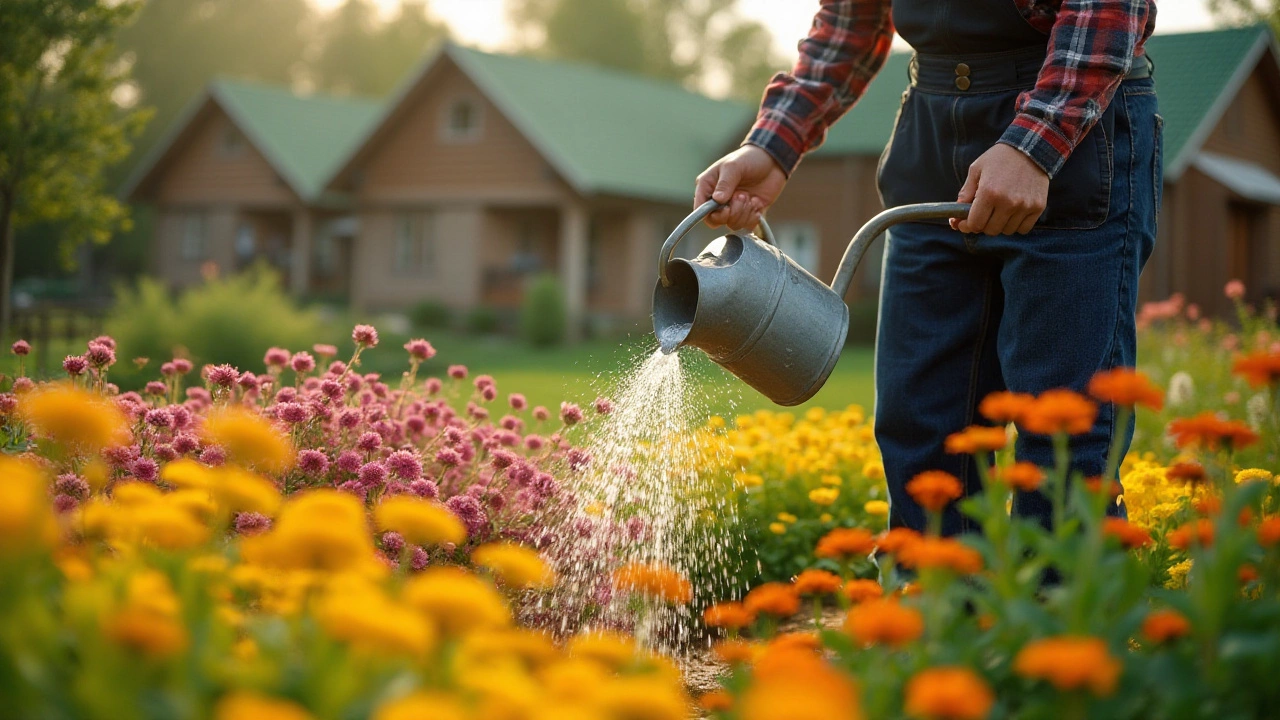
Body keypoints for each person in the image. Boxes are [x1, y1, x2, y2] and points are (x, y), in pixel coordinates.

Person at [694, 0, 1159, 537]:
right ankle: (932, 612)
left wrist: (1037, 142)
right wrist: (772, 146)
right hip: (931, 129)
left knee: (1063, 436)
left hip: (1077, 128)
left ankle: (1061, 617)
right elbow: (851, 21)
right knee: (921, 430)